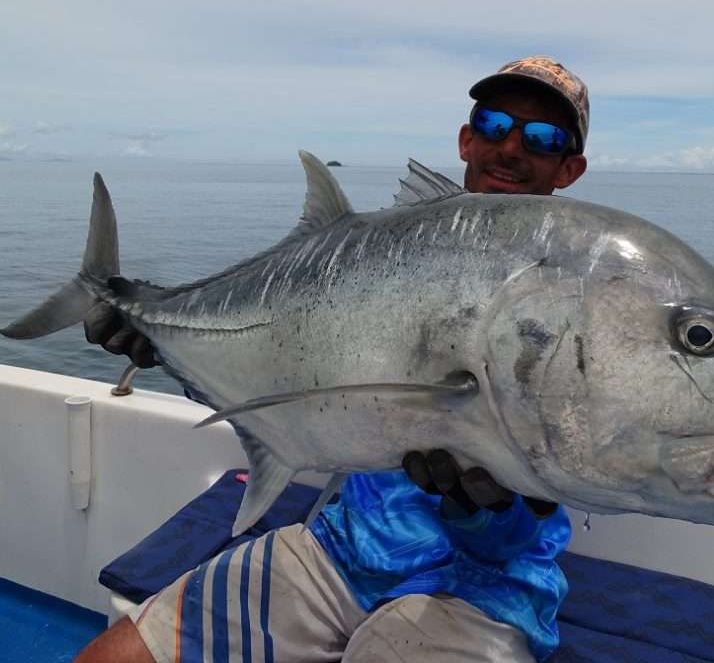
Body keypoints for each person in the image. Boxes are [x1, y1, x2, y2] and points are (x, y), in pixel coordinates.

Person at [75, 56, 589, 663]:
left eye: (542, 137)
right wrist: (160, 343)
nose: (511, 147)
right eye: (496, 122)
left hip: (487, 589)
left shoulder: (578, 297)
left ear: (569, 168)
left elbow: (538, 509)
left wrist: (486, 516)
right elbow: (285, 380)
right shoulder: (382, 261)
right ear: (466, 137)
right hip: (341, 549)